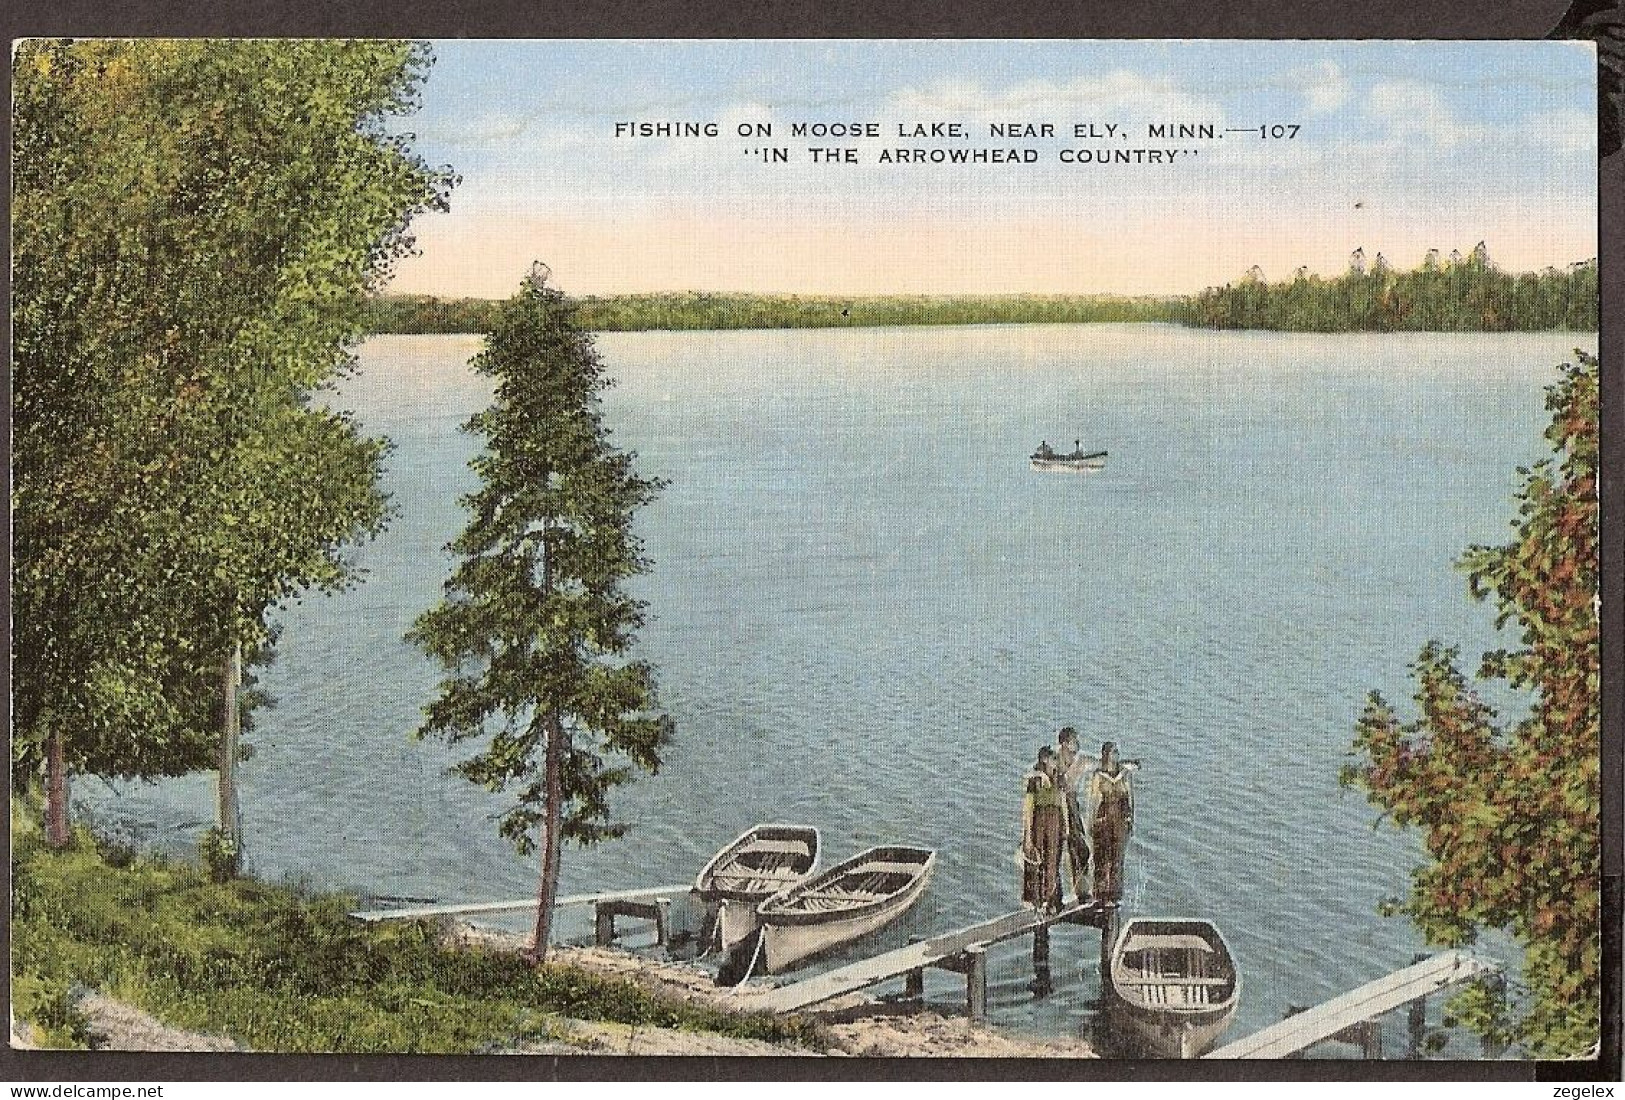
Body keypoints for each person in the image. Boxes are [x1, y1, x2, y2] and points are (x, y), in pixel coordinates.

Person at [1088, 741, 1139, 902]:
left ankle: (1115, 894)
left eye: (1117, 752)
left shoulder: (1125, 775)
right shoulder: (1099, 775)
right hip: (1103, 820)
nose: (1116, 755)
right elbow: (1094, 801)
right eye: (1113, 752)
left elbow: (1131, 799)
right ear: (1106, 755)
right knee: (1101, 857)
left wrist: (1131, 820)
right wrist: (1090, 822)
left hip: (1120, 820)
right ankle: (1100, 893)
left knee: (1117, 858)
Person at [1020, 745, 1067, 914]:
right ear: (1044, 760)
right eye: (1053, 759)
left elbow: (1063, 804)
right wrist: (1027, 834)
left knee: (1052, 862)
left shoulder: (1059, 779)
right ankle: (1036, 901)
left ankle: (1050, 900)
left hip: (1055, 821)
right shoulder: (1035, 780)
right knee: (1036, 859)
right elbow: (1028, 807)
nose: (1056, 763)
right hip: (1039, 820)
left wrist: (1066, 827)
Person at [1055, 727, 1093, 906]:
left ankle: (1082, 891)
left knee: (1081, 850)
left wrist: (1127, 765)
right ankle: (1053, 897)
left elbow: (1102, 763)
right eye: (1073, 741)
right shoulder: (1055, 760)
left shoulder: (1080, 759)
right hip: (1056, 808)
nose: (1077, 743)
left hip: (1071, 806)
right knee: (1054, 852)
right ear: (1064, 743)